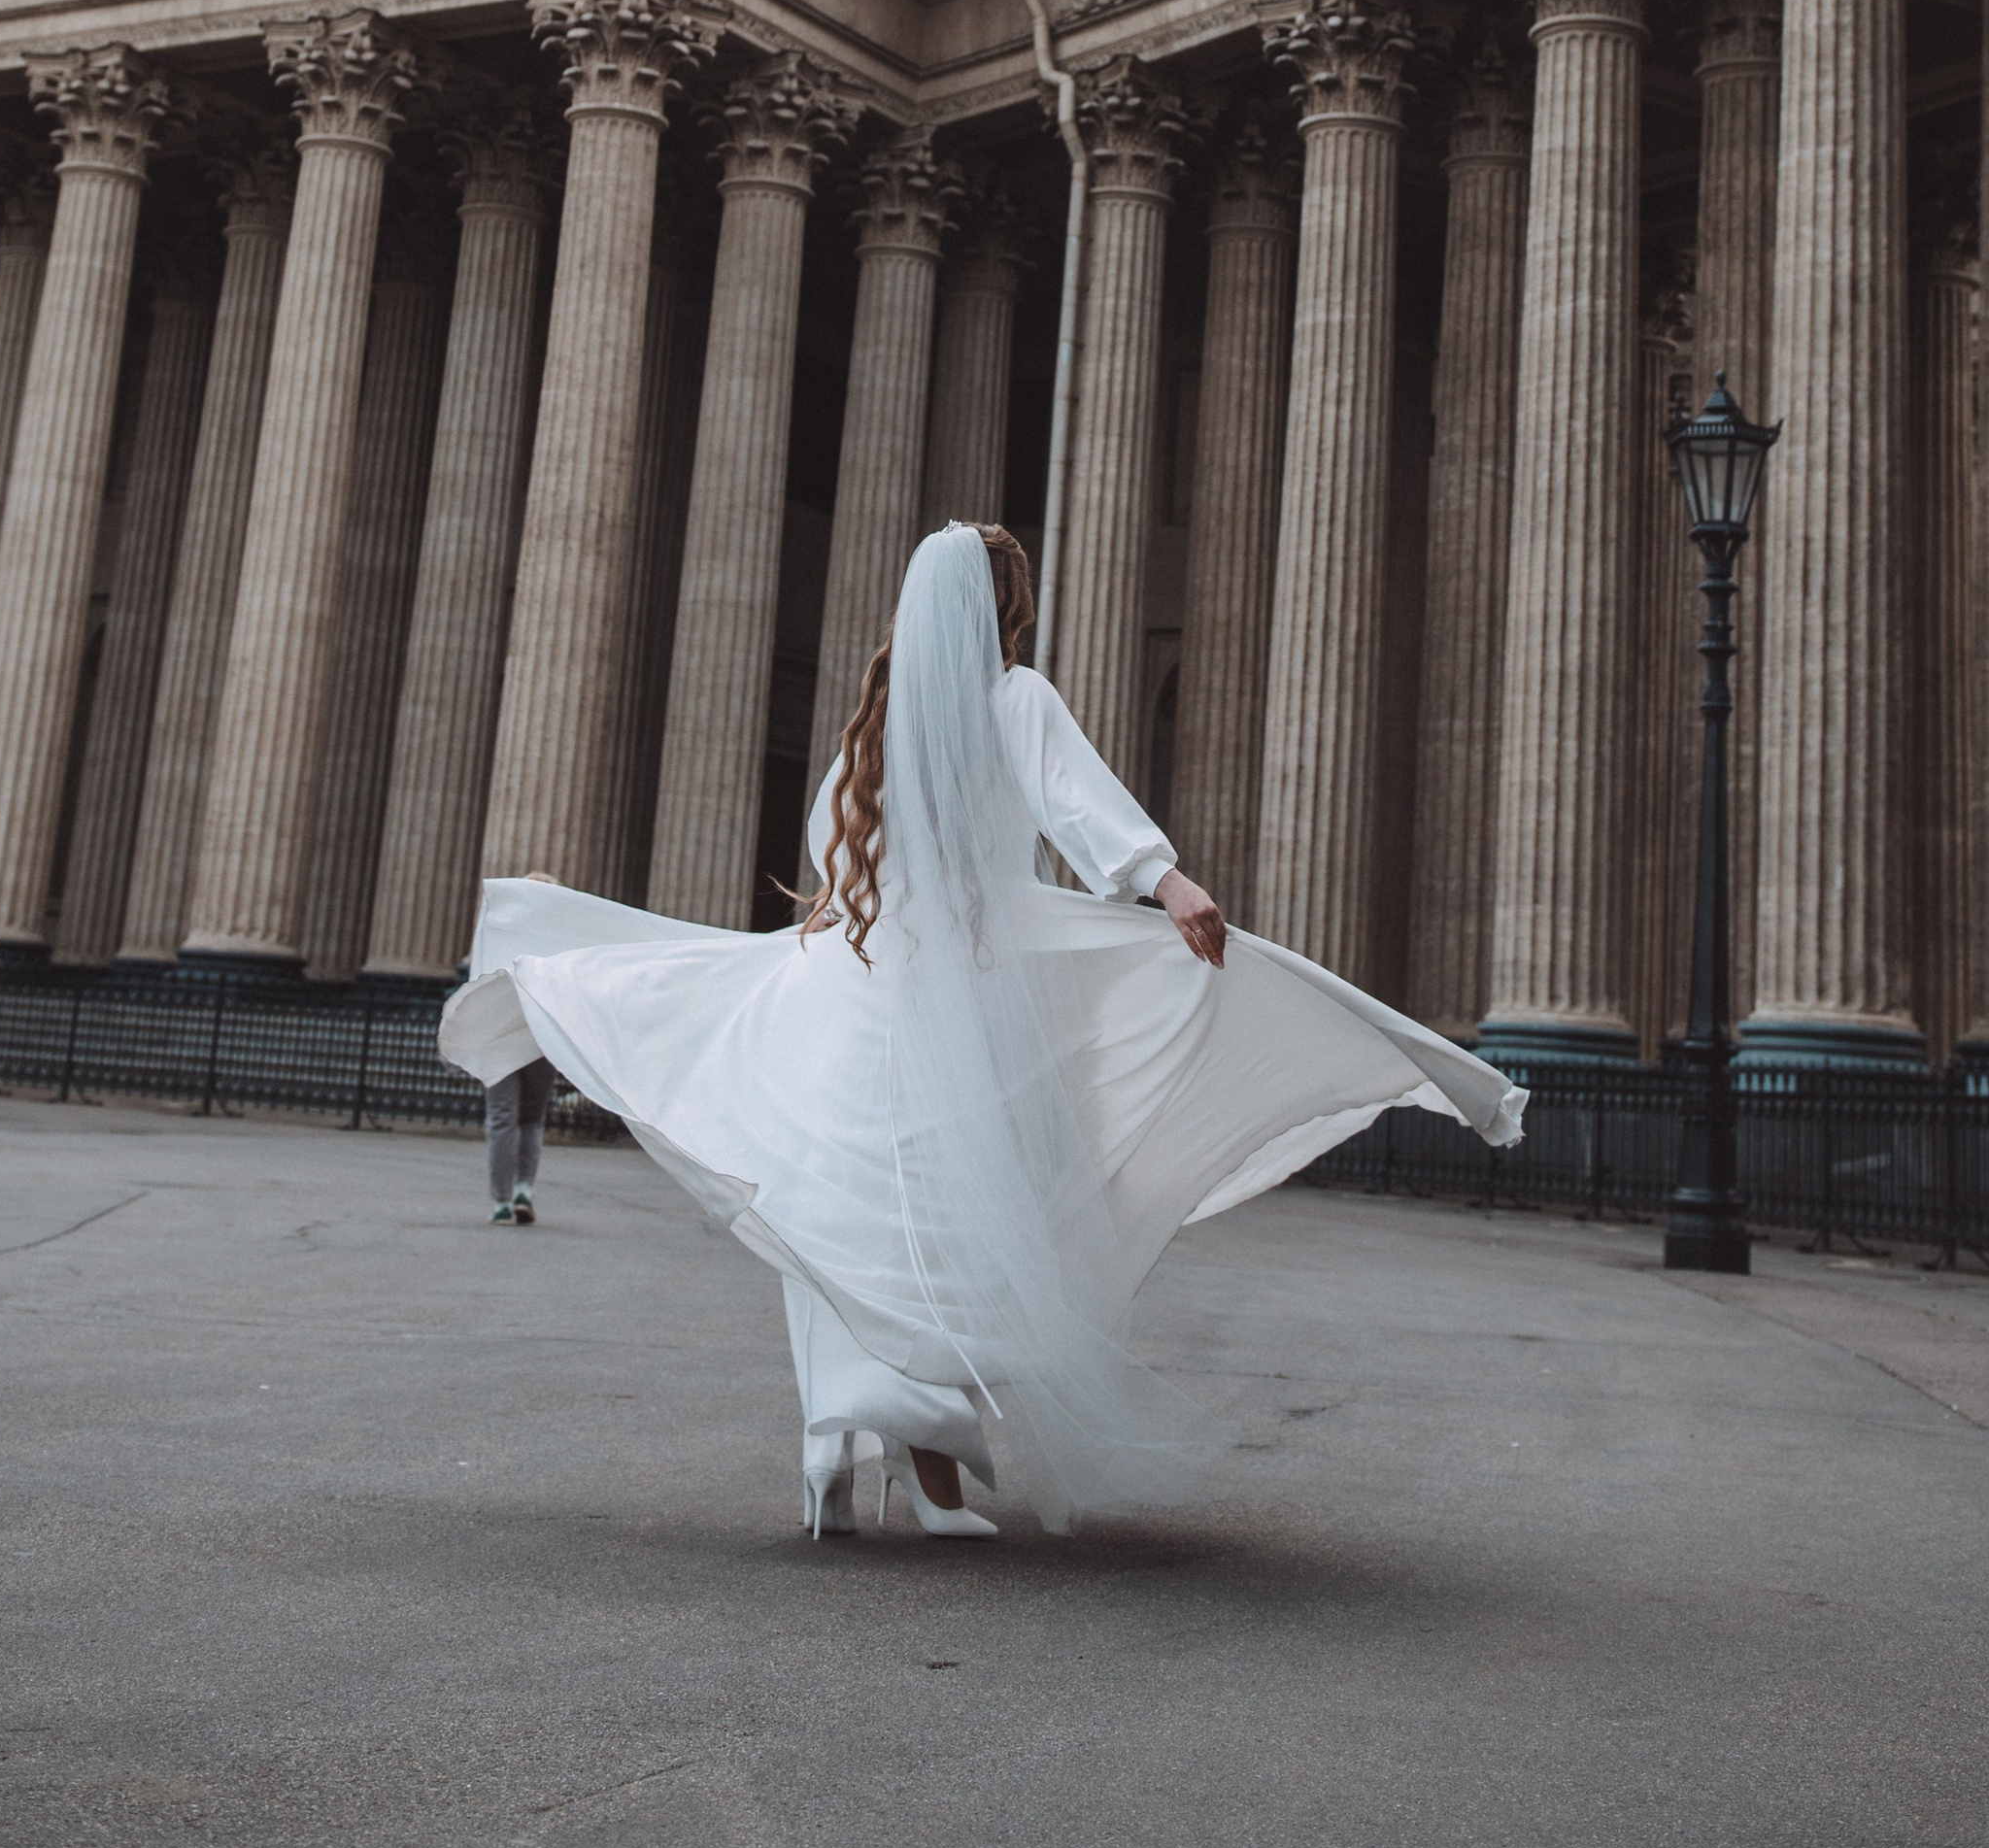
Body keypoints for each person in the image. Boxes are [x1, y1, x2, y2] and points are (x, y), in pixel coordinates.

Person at [443, 522, 1524, 1538]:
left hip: (859, 992)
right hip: (964, 990)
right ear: (1007, 607)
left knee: (851, 1223)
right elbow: (1076, 801)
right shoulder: (1013, 699)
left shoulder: (883, 723)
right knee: (960, 1230)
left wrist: (852, 909)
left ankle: (842, 1451)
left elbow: (831, 842)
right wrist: (1167, 881)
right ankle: (914, 1466)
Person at [484, 1058, 551, 1225]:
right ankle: (523, 1191)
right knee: (531, 1119)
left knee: (502, 1118)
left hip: (499, 1044)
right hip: (538, 1045)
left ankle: (502, 1204)